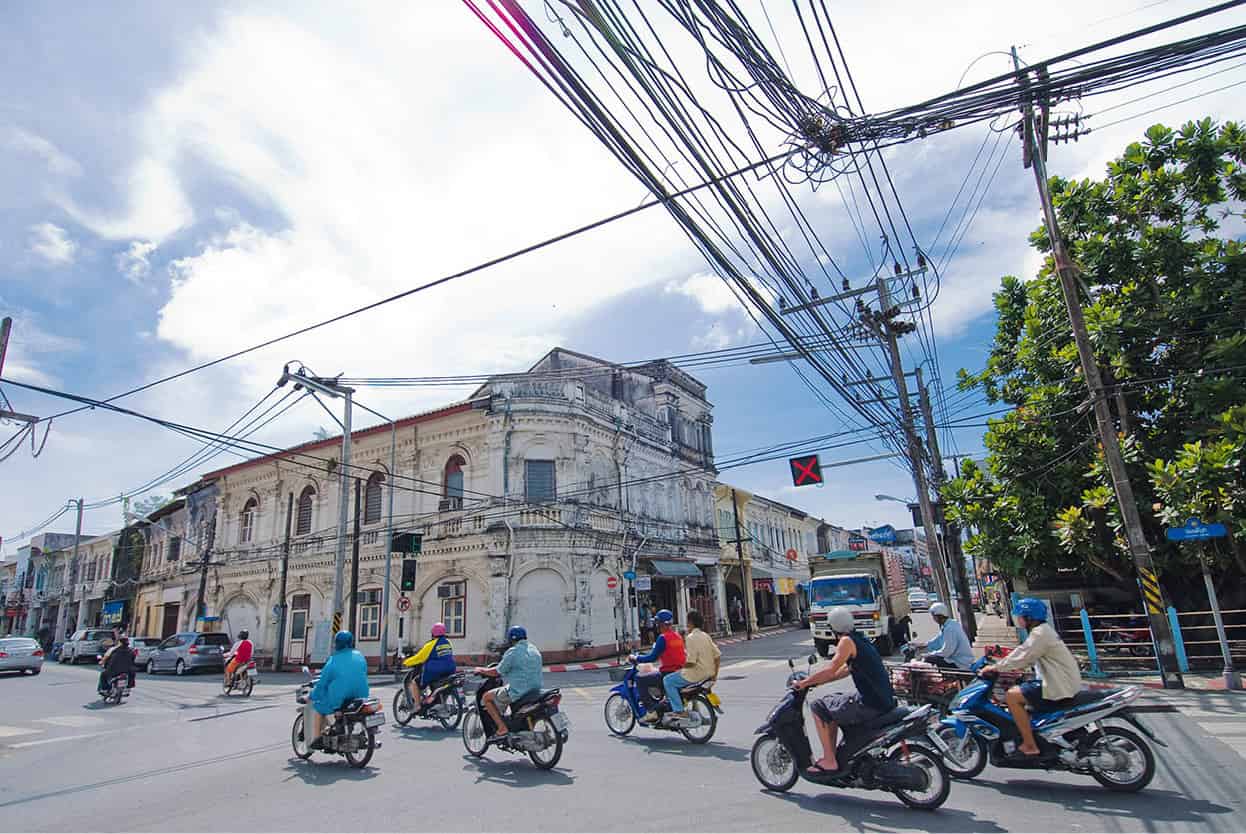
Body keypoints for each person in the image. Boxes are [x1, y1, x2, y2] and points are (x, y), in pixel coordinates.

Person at [791, 607, 896, 775]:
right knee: (832, 701)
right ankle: (834, 755)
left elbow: (832, 669)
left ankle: (829, 760)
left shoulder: (846, 642)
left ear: (833, 627)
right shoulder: (860, 638)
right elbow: (846, 670)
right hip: (883, 699)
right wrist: (818, 682)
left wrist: (804, 683)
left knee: (819, 706)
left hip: (870, 703)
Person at [982, 597, 1082, 758]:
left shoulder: (1039, 634)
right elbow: (1025, 653)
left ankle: (1029, 744)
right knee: (1024, 691)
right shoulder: (1043, 631)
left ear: (1028, 617)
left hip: (1057, 684)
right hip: (1061, 680)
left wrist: (995, 667)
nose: (1018, 619)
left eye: (1020, 616)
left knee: (1012, 696)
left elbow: (1022, 656)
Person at [476, 626, 542, 740]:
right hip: (535, 690)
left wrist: (481, 670)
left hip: (518, 691)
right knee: (504, 690)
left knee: (486, 697)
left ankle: (502, 728)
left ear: (511, 639)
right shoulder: (534, 649)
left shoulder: (513, 652)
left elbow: (497, 671)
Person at [308, 630, 370, 749]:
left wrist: (312, 695)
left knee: (318, 708)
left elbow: (322, 683)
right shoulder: (360, 656)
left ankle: (317, 739)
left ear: (337, 643)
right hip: (361, 695)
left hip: (340, 698)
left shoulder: (333, 660)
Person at [662, 610, 720, 722]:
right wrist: (715, 675)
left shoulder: (690, 637)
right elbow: (717, 656)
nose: (687, 624)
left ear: (691, 623)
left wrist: (683, 666)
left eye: (688, 622)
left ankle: (679, 710)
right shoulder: (705, 635)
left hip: (695, 674)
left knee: (667, 681)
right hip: (708, 674)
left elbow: (691, 661)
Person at [629, 609, 685, 724]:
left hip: (668, 673)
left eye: (657, 623)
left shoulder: (663, 638)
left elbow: (652, 657)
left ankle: (651, 711)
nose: (656, 626)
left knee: (640, 679)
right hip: (680, 671)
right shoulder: (677, 636)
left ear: (661, 624)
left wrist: (637, 658)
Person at [403, 622, 457, 706]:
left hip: (436, 670)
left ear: (433, 633)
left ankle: (417, 705)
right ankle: (434, 700)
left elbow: (420, 658)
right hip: (451, 669)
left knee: (415, 682)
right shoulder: (447, 642)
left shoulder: (431, 644)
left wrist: (406, 662)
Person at [916, 603, 974, 669]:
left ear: (939, 616)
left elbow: (946, 652)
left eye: (934, 616)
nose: (933, 619)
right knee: (930, 657)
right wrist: (924, 645)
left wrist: (929, 654)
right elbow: (937, 640)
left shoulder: (950, 629)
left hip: (961, 663)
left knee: (929, 659)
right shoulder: (948, 625)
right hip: (956, 659)